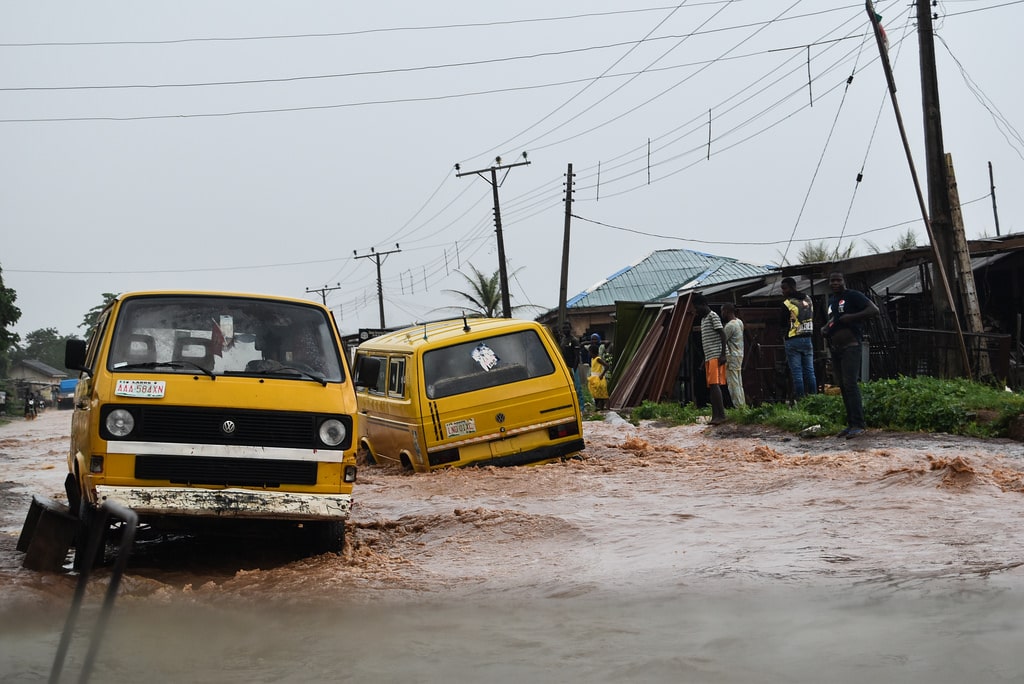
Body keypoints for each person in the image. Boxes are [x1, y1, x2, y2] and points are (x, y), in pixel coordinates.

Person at [822, 271, 880, 439]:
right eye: (832, 280)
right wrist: (826, 328)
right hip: (836, 348)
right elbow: (836, 319)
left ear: (844, 281)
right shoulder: (832, 301)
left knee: (850, 384)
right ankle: (851, 423)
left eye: (838, 280)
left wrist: (852, 317)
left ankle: (859, 424)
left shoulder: (853, 296)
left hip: (851, 346)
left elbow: (873, 310)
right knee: (842, 386)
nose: (835, 283)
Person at [780, 277, 818, 401]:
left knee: (797, 373)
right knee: (810, 371)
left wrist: (783, 334)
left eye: (784, 288)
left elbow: (782, 323)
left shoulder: (787, 303)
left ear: (791, 288)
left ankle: (801, 401)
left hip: (793, 339)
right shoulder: (808, 299)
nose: (783, 291)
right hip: (808, 338)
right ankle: (814, 400)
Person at [694, 294, 727, 425]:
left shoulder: (713, 316)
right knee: (712, 387)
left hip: (716, 355)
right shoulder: (703, 319)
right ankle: (715, 415)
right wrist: (704, 361)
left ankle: (721, 415)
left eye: (696, 308)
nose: (696, 311)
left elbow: (723, 335)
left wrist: (723, 354)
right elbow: (707, 342)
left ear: (703, 305)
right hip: (709, 356)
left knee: (715, 385)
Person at [721, 303, 745, 407]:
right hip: (739, 355)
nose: (722, 313)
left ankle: (739, 407)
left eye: (722, 311)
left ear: (726, 311)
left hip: (731, 357)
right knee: (739, 383)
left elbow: (722, 340)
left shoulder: (730, 326)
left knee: (733, 384)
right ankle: (742, 405)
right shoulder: (739, 322)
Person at [558, 322, 582, 403]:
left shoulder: (574, 340)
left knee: (577, 388)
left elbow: (577, 356)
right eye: (564, 328)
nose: (565, 330)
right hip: (565, 368)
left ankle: (581, 408)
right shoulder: (563, 340)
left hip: (573, 367)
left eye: (567, 328)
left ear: (570, 329)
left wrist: (574, 370)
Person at [587, 336, 609, 410]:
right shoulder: (592, 359)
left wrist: (602, 375)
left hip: (598, 378)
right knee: (596, 394)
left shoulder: (598, 359)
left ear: (592, 352)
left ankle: (606, 408)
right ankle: (598, 407)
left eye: (589, 352)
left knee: (603, 395)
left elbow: (607, 366)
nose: (589, 353)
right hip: (594, 378)